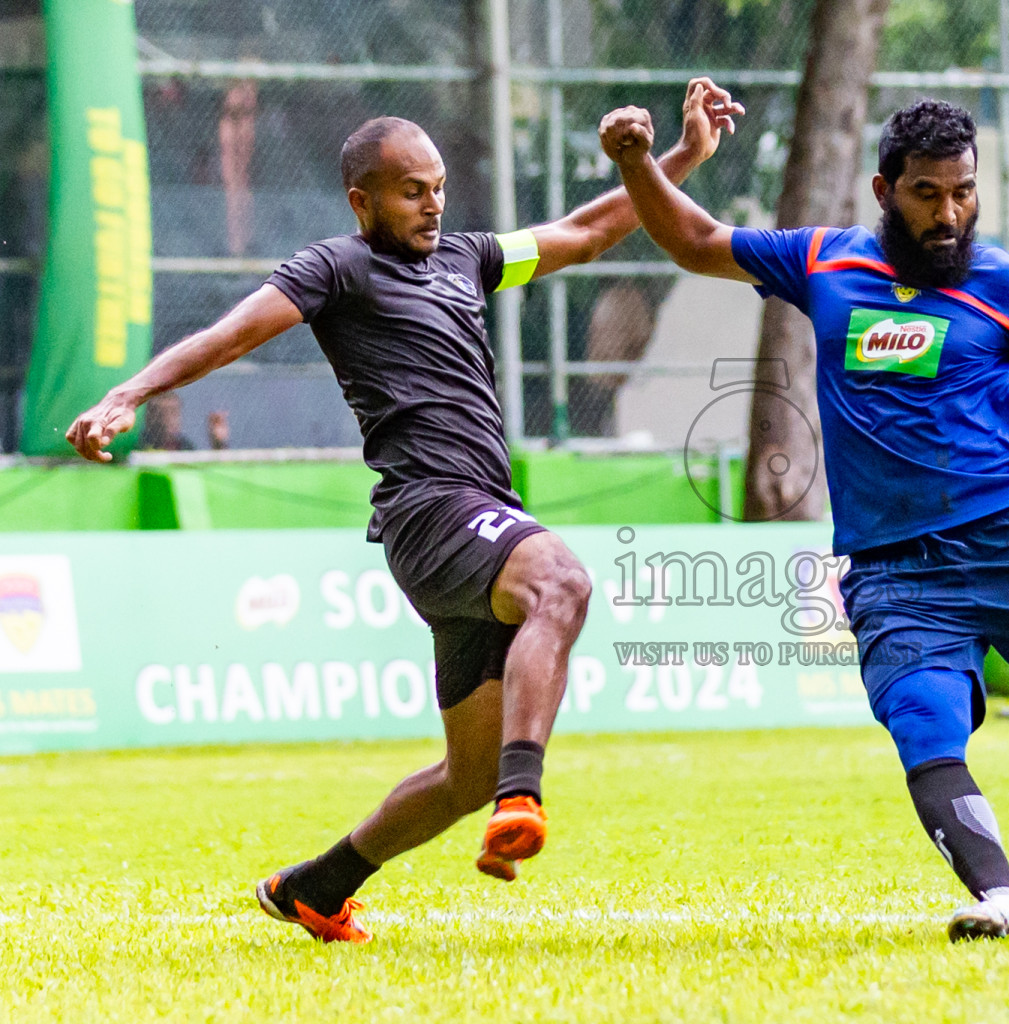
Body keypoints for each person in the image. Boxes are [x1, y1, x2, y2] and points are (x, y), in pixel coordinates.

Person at [65, 80, 746, 945]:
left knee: (460, 779)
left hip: (474, 516)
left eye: (438, 188)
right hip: (431, 511)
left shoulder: (467, 257)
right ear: (363, 200)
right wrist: (131, 391)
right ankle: (523, 794)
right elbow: (233, 334)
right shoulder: (336, 269)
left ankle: (318, 886)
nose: (431, 205)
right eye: (410, 191)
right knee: (561, 584)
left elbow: (584, 232)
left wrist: (668, 158)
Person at [598, 97, 1009, 942]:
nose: (949, 213)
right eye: (927, 193)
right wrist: (640, 160)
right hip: (896, 570)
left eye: (963, 192)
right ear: (884, 190)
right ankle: (1005, 901)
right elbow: (696, 242)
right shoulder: (823, 262)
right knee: (924, 728)